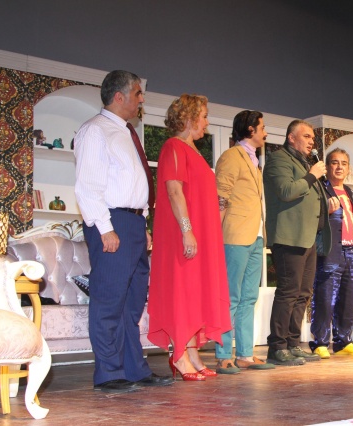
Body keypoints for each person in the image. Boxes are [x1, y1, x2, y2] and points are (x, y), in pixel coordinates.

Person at [74, 70, 174, 393]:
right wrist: (106, 229)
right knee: (108, 301)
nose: (142, 99)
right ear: (119, 96)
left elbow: (132, 184)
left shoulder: (127, 133)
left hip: (132, 224)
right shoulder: (95, 130)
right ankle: (108, 373)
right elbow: (88, 187)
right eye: (138, 93)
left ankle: (134, 369)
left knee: (132, 303)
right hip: (111, 221)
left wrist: (142, 224)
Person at [147, 94, 232, 380]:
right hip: (182, 233)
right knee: (182, 291)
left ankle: (193, 351)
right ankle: (179, 354)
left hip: (200, 234)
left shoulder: (193, 150)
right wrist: (187, 230)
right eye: (204, 116)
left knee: (195, 292)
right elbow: (174, 191)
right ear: (189, 118)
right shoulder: (173, 146)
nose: (207, 122)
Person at [263, 119, 331, 366]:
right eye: (306, 136)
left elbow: (310, 197)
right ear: (291, 138)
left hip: (308, 236)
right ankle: (277, 347)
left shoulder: (304, 162)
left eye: (313, 137)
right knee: (289, 291)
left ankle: (292, 344)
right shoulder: (278, 159)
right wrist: (312, 175)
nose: (312, 141)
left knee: (303, 293)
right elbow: (286, 191)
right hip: (289, 236)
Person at [213, 110, 275, 373]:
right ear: (251, 129)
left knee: (249, 297)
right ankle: (223, 355)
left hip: (255, 235)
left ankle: (245, 354)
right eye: (262, 127)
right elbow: (221, 196)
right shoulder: (231, 156)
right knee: (231, 296)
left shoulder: (254, 160)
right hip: (235, 236)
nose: (265, 132)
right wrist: (215, 233)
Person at [309, 148, 353, 359]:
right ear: (327, 166)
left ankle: (343, 341)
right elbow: (312, 218)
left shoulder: (348, 191)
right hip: (330, 251)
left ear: (348, 168)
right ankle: (320, 342)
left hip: (350, 250)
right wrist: (327, 211)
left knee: (347, 300)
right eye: (334, 162)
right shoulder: (320, 189)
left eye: (343, 163)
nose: (339, 167)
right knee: (324, 298)